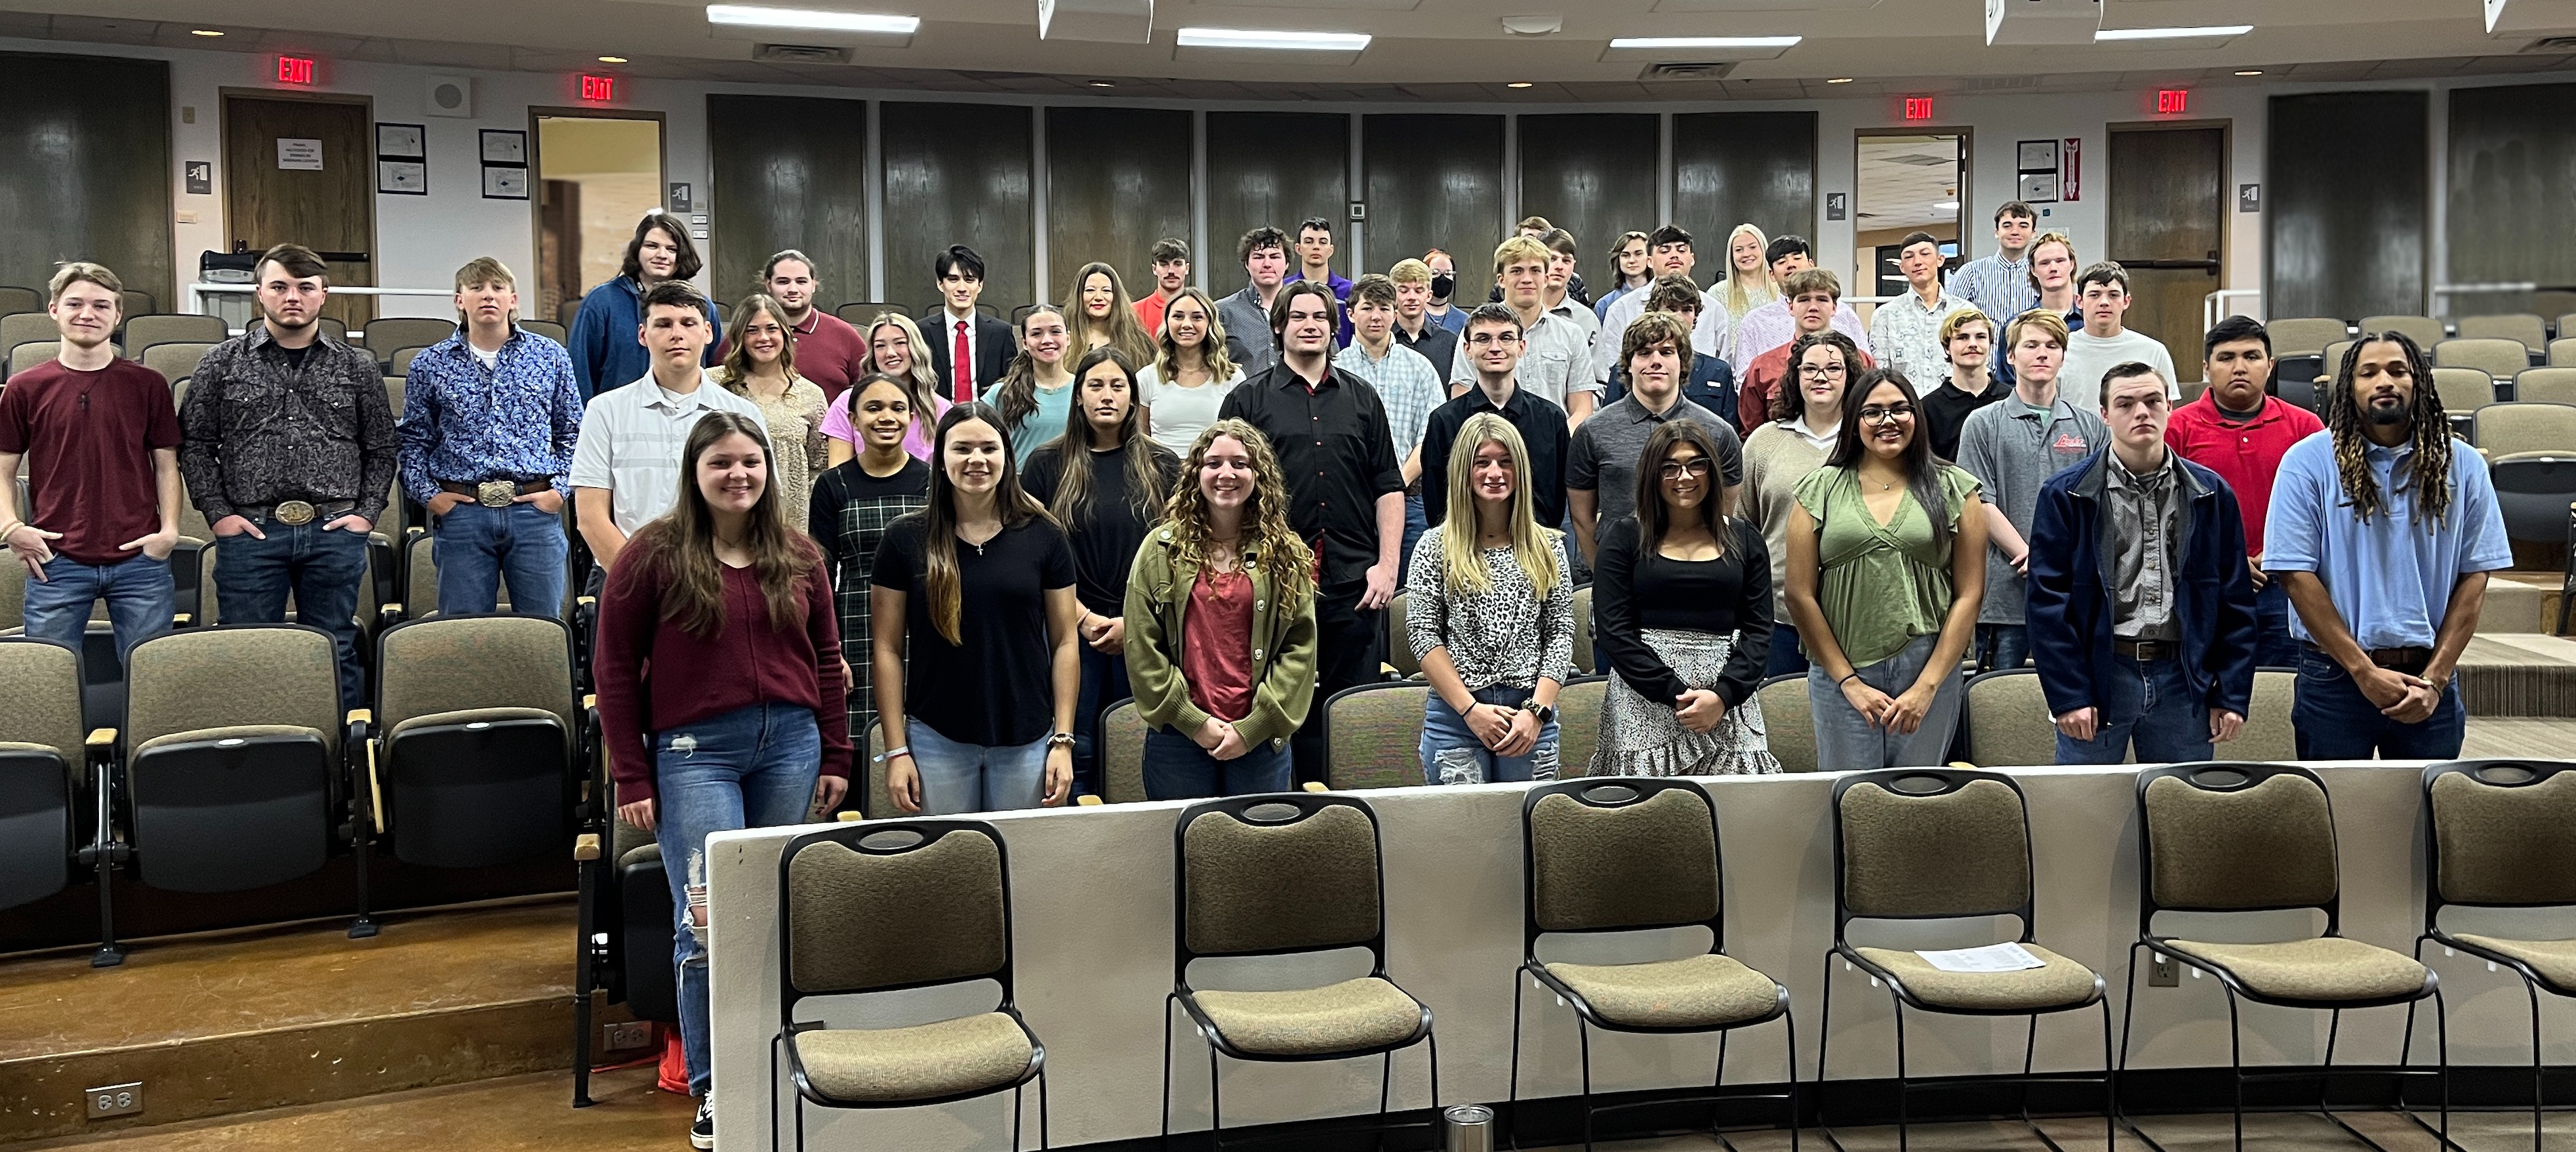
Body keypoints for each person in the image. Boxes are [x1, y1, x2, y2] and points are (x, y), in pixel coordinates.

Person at [593, 411, 850, 1151]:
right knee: (704, 923)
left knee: (772, 913)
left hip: (791, 747)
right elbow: (613, 670)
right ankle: (715, 1086)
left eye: (750, 462)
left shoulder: (797, 555)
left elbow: (827, 659)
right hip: (693, 752)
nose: (738, 475)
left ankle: (780, 1060)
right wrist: (630, 771)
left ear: (768, 471)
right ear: (695, 472)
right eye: (721, 464)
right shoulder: (649, 555)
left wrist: (835, 753)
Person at [2267, 331, 2512, 760]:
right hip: (2333, 677)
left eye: (2398, 371)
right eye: (2369, 373)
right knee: (2334, 814)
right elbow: (2295, 575)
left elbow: (2475, 578)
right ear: (2349, 386)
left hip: (2427, 678)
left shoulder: (2464, 465)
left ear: (2419, 382)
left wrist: (2436, 678)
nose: (2385, 381)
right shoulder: (2307, 462)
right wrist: (2362, 671)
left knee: (2428, 815)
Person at [178, 243, 397, 711]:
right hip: (251, 532)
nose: (292, 297)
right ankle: (263, 757)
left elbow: (381, 448)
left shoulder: (357, 366)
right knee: (250, 653)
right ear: (260, 293)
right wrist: (218, 516)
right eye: (279, 287)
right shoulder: (220, 363)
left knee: (335, 646)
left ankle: (345, 761)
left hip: (334, 530)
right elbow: (194, 446)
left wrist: (366, 514)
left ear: (324, 295)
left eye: (304, 287)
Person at [1217, 281, 1403, 783]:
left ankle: (1346, 815)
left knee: (1347, 710)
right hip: (1273, 582)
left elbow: (1388, 486)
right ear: (1279, 327)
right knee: (1275, 704)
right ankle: (1285, 809)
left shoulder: (1362, 399)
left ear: (1332, 326)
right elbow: (1222, 490)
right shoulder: (1247, 400)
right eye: (1298, 317)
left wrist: (1387, 567)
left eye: (1319, 317)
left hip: (1354, 584)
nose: (1309, 325)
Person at [2028, 363, 2258, 765]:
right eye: (2126, 403)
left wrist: (2231, 693)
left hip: (2184, 679)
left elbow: (2235, 601)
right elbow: (2047, 604)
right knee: (2083, 810)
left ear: (2169, 406)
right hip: (2103, 676)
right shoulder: (2066, 495)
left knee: (2182, 812)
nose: (2141, 412)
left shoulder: (2210, 493)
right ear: (2105, 415)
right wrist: (2069, 696)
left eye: (2153, 401)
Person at [872, 403, 1081, 812]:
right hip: (937, 737)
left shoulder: (1045, 535)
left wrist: (1063, 739)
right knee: (950, 866)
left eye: (989, 448)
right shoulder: (904, 539)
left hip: (1029, 736)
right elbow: (887, 650)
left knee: (1019, 866)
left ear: (1007, 455)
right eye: (962, 449)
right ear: (941, 458)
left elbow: (1064, 642)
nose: (976, 460)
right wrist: (897, 751)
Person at [1786, 368, 1986, 769]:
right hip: (1841, 670)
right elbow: (1798, 594)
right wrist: (1849, 682)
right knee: (1848, 800)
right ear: (1854, 421)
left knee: (1915, 798)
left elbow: (1970, 593)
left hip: (1929, 667)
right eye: (1873, 412)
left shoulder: (1954, 487)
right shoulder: (1820, 488)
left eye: (1900, 409)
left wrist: (1927, 686)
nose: (1888, 421)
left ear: (1918, 416)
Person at [1123, 419, 1316, 799]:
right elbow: (1142, 646)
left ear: (1258, 475)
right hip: (1179, 739)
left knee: (1256, 852)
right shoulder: (1160, 550)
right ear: (1196, 474)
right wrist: (1194, 723)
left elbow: (1300, 648)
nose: (1226, 473)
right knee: (1183, 850)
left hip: (1259, 739)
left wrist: (1253, 728)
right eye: (1213, 463)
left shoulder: (1285, 553)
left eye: (1240, 463)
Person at [1020, 348, 1180, 799]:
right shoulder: (1045, 465)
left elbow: (1182, 558)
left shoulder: (1164, 465)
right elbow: (1031, 558)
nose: (1106, 396)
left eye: (1118, 386)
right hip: (1071, 630)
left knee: (1144, 746)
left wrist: (1135, 623)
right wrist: (1086, 619)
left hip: (1146, 630)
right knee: (1079, 748)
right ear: (1078, 397)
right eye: (1095, 385)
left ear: (1133, 397)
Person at [0, 262, 180, 661]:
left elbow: (166, 465)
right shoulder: (24, 387)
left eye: (101, 306)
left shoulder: (148, 384)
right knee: (48, 680)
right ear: (54, 311)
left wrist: (168, 531)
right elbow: (3, 468)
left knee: (152, 676)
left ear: (117, 315)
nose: (87, 314)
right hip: (55, 560)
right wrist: (10, 526)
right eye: (75, 304)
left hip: (140, 560)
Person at [1592, 419, 1779, 775]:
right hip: (1642, 698)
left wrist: (1722, 696)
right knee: (1648, 821)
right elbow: (1614, 632)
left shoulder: (1744, 538)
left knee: (1736, 818)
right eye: (1670, 467)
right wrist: (1676, 694)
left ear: (1712, 470)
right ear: (1652, 474)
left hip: (1726, 700)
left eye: (1696, 464)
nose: (1685, 477)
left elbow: (1758, 631)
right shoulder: (1624, 537)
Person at [399, 256, 584, 617]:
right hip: (463, 514)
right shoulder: (430, 364)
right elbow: (413, 440)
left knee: (542, 629)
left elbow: (574, 432)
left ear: (513, 300)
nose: (488, 296)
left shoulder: (549, 356)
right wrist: (431, 497)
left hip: (534, 510)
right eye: (477, 288)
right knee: (464, 631)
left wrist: (560, 491)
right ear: (459, 299)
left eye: (498, 288)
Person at [1408, 413, 1575, 783]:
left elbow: (1562, 633)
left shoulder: (1547, 547)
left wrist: (1537, 711)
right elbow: (1422, 635)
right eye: (1481, 463)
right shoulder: (1434, 546)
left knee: (1528, 832)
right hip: (1457, 716)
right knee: (1466, 836)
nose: (1494, 473)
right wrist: (1471, 710)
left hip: (1530, 716)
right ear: (1464, 472)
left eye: (1505, 462)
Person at [570, 281, 766, 580]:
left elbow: (758, 509)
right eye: (663, 324)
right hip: (626, 578)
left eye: (688, 323)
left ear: (708, 332)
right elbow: (591, 517)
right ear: (643, 335)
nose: (677, 334)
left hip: (719, 579)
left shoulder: (743, 414)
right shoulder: (605, 411)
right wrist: (638, 583)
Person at [2165, 316, 2324, 670]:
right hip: (2207, 588)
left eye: (2251, 357)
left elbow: (2326, 511)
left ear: (2270, 366)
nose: (2239, 367)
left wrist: (2279, 554)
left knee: (2281, 697)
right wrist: (2227, 559)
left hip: (2287, 589)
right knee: (2211, 702)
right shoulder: (2176, 429)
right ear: (2206, 368)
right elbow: (2163, 513)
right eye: (2226, 358)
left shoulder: (2306, 427)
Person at [1954, 309, 2108, 672]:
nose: (2042, 353)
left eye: (2052, 346)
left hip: (2073, 592)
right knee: (2002, 708)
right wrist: (2030, 555)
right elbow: (1976, 500)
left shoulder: (2088, 426)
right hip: (2005, 597)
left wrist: (2057, 558)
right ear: (2010, 356)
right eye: (2031, 345)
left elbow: (2098, 504)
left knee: (2075, 706)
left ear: (2063, 356)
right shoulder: (1983, 423)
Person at [809, 375, 932, 756]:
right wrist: (830, 650)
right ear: (853, 419)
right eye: (874, 408)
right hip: (857, 622)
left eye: (897, 409)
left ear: (911, 417)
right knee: (859, 743)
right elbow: (822, 576)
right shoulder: (832, 485)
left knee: (926, 737)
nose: (886, 418)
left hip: (926, 622)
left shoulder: (933, 481)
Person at [1570, 311, 1742, 575]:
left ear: (1683, 362)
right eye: (1644, 353)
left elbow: (1725, 512)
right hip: (1621, 570)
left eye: (1666, 352)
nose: (1655, 361)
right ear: (1628, 364)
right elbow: (1582, 518)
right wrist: (1604, 574)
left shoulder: (1718, 432)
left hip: (1697, 569)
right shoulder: (1593, 431)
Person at [1738, 330, 1860, 678]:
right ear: (1795, 377)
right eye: (1810, 369)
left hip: (1852, 616)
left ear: (1850, 377)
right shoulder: (1765, 441)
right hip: (1777, 616)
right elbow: (1741, 526)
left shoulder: (1867, 440)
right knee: (1784, 723)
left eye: (1834, 368)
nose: (1820, 377)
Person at [1423, 304, 1571, 537]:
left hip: (1535, 549)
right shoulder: (1444, 421)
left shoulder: (1551, 420)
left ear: (1522, 347)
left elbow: (1557, 498)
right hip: (1465, 550)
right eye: (1483, 339)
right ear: (1468, 349)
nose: (1495, 348)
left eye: (1506, 338)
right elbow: (1436, 503)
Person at [1333, 274, 1445, 582]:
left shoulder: (1420, 367)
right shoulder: (1335, 369)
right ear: (1351, 313)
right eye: (1367, 308)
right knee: (1355, 589)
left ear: (1395, 314)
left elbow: (1431, 436)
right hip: (1351, 502)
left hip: (1410, 501)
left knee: (1410, 591)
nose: (1376, 316)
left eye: (1384, 308)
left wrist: (1398, 481)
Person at [567, 209, 721, 398]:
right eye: (652, 246)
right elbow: (579, 370)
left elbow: (714, 371)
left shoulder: (702, 306)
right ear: (637, 250)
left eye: (671, 249)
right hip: (617, 417)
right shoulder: (601, 301)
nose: (662, 255)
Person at [1449, 236, 1598, 427]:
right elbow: (1461, 400)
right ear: (1501, 280)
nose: (1527, 279)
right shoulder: (1476, 334)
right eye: (1517, 271)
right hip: (1491, 449)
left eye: (1535, 270)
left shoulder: (1572, 335)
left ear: (1545, 278)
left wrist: (1557, 441)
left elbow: (1582, 409)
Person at [715, 293, 829, 519]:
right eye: (752, 330)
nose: (763, 338)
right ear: (740, 337)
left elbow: (819, 467)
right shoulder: (715, 385)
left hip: (789, 519)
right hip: (728, 514)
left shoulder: (811, 395)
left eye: (772, 329)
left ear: (785, 334)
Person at [1738, 269, 1874, 436]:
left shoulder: (1863, 362)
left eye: (1822, 299)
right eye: (1804, 300)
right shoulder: (1763, 367)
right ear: (1790, 307)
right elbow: (1750, 434)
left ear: (1834, 308)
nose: (1813, 307)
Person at [1595, 224, 1728, 384]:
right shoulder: (1621, 308)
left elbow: (1726, 364)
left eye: (1681, 250)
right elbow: (1611, 369)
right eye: (1665, 251)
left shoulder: (1714, 308)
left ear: (1692, 259)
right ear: (1649, 261)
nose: (1674, 256)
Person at [1726, 234, 1871, 373]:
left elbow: (1866, 366)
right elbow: (1745, 378)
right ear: (1771, 274)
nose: (1791, 265)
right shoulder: (1755, 322)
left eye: (1797, 258)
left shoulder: (1843, 313)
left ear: (1811, 264)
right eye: (1782, 262)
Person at [821, 311, 949, 466]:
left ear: (916, 349)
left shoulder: (942, 409)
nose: (890, 353)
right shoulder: (846, 402)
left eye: (900, 343)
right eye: (880, 346)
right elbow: (838, 473)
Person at [2057, 262, 2181, 413]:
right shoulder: (2060, 349)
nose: (2104, 303)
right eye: (2094, 295)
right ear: (2079, 301)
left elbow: (2166, 413)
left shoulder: (2153, 351)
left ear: (2126, 301)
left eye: (2113, 295)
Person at [748, 249, 870, 401]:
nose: (793, 289)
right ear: (768, 285)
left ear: (813, 284)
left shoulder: (845, 335)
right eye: (783, 282)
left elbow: (869, 392)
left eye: (801, 281)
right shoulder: (747, 334)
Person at [1135, 287, 1243, 455]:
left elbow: (1239, 439)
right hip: (1160, 473)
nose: (1187, 324)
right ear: (1167, 322)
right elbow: (1141, 438)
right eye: (1178, 316)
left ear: (1209, 323)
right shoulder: (1146, 378)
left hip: (1214, 475)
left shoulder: (1232, 378)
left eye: (1197, 317)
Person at [1868, 231, 1975, 384]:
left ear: (1940, 260)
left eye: (1925, 254)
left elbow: (1976, 365)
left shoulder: (1965, 311)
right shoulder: (1885, 315)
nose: (1917, 262)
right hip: (1905, 404)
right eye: (1909, 257)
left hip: (1955, 402)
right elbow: (1880, 372)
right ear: (1902, 267)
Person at [1636, 275, 1739, 426]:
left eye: (1687, 310)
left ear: (1695, 316)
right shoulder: (1632, 368)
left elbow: (1731, 433)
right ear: (1654, 312)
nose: (1679, 317)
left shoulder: (1718, 371)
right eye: (1671, 309)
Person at [923, 245, 1018, 405]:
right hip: (937, 421)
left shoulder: (1001, 333)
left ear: (980, 285)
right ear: (940, 284)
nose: (962, 288)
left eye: (969, 280)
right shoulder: (922, 332)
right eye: (953, 280)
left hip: (987, 421)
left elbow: (1012, 385)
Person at [981, 304, 1076, 459]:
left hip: (1073, 481)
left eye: (1055, 332)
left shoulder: (1084, 390)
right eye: (1037, 334)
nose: (1047, 340)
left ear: (1068, 338)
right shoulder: (1002, 393)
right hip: (1018, 482)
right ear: (1024, 343)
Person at [1920, 309, 2010, 462]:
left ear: (1991, 344)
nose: (1973, 344)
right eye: (1963, 338)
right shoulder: (1928, 407)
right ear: (1947, 347)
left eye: (1980, 337)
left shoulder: (2010, 399)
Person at [1944, 201, 2040, 326]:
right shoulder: (1971, 273)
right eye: (2007, 226)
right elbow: (1952, 322)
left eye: (2023, 226)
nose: (2015, 231)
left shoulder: (2040, 273)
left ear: (2033, 233)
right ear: (1997, 232)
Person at [1218, 226, 1288, 374]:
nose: (1267, 264)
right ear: (1246, 264)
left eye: (1275, 257)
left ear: (1287, 263)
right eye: (1259, 257)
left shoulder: (1305, 310)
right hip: (1242, 396)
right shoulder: (1222, 312)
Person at [1066, 260, 1157, 370]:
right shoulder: (1064, 340)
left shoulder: (1139, 342)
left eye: (1106, 291)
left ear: (1116, 297)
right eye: (1090, 290)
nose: (1098, 297)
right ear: (1079, 296)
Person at [1537, 228, 1603, 377]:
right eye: (1552, 258)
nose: (1559, 266)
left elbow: (1598, 380)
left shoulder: (1587, 319)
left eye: (1566, 260)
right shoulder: (1516, 314)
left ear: (1573, 265)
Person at [1388, 258, 1462, 380]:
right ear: (1392, 295)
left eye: (1419, 290)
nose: (1412, 297)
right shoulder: (1382, 342)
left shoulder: (1449, 343)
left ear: (1429, 295)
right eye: (1404, 290)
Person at [1710, 224, 1779, 344]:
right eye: (1739, 250)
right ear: (1732, 256)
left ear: (1763, 250)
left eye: (1752, 247)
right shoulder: (1717, 294)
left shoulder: (1782, 290)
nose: (1746, 254)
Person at [1592, 230, 1654, 322]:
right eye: (1626, 255)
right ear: (1618, 260)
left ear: (1650, 258)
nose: (1632, 260)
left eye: (1638, 254)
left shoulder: (1661, 298)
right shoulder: (1604, 304)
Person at [1134, 237, 1190, 335]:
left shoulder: (1201, 309)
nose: (1171, 271)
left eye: (1177, 264)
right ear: (1154, 269)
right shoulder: (1135, 311)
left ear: (1187, 268)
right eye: (1164, 265)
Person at [2027, 231, 2080, 321]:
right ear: (2033, 270)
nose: (2053, 268)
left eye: (2060, 261)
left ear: (2072, 264)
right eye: (2044, 263)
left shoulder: (2092, 319)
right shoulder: (2019, 325)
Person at [1422, 248, 1470, 335]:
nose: (1442, 278)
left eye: (1448, 273)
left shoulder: (1464, 320)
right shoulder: (1415, 316)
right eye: (1435, 273)